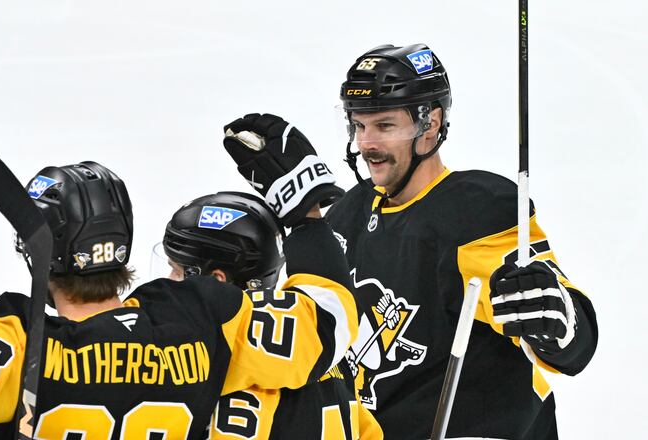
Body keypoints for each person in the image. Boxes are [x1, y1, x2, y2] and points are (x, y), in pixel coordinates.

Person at [222, 44, 598, 440]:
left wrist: (560, 322)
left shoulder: (475, 211)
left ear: (430, 124)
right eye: (359, 125)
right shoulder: (346, 214)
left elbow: (571, 341)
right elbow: (312, 333)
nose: (367, 143)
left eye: (384, 126)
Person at [0, 159, 358, 439]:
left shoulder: (20, 341)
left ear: (39, 256)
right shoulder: (201, 315)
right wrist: (308, 217)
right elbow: (329, 322)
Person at [161, 191, 382, 439]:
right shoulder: (327, 353)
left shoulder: (199, 358)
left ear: (216, 280)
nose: (168, 283)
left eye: (177, 271)